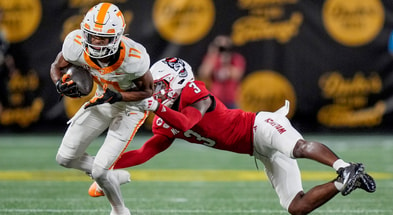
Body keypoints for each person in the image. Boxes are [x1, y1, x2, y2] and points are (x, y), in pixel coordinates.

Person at [89, 57, 376, 215]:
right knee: (296, 207)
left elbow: (189, 119)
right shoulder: (164, 118)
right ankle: (345, 181)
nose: (155, 90)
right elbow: (145, 152)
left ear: (177, 82)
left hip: (261, 126)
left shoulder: (193, 92)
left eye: (160, 85)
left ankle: (343, 166)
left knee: (296, 147)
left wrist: (155, 105)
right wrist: (104, 165)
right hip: (257, 151)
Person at [50, 3, 153, 215]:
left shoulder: (133, 57)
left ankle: (120, 210)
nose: (95, 41)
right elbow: (56, 66)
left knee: (99, 172)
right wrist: (59, 83)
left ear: (117, 37)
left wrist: (119, 96)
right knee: (65, 158)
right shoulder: (76, 43)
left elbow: (148, 92)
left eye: (102, 38)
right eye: (92, 35)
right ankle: (110, 176)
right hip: (103, 100)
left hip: (130, 108)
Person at [198, 35, 246, 108]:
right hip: (215, 98)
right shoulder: (212, 59)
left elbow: (237, 75)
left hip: (231, 99)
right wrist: (212, 55)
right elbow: (204, 73)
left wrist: (226, 62)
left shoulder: (236, 58)